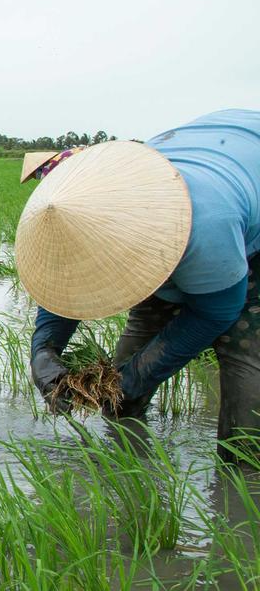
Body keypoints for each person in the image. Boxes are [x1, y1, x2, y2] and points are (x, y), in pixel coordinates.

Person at [19, 109, 260, 464]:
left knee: (244, 354)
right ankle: (129, 471)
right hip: (198, 176)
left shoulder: (207, 224)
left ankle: (243, 483)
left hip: (237, 208)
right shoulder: (97, 211)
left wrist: (132, 378)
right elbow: (66, 281)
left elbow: (215, 313)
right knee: (126, 377)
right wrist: (44, 349)